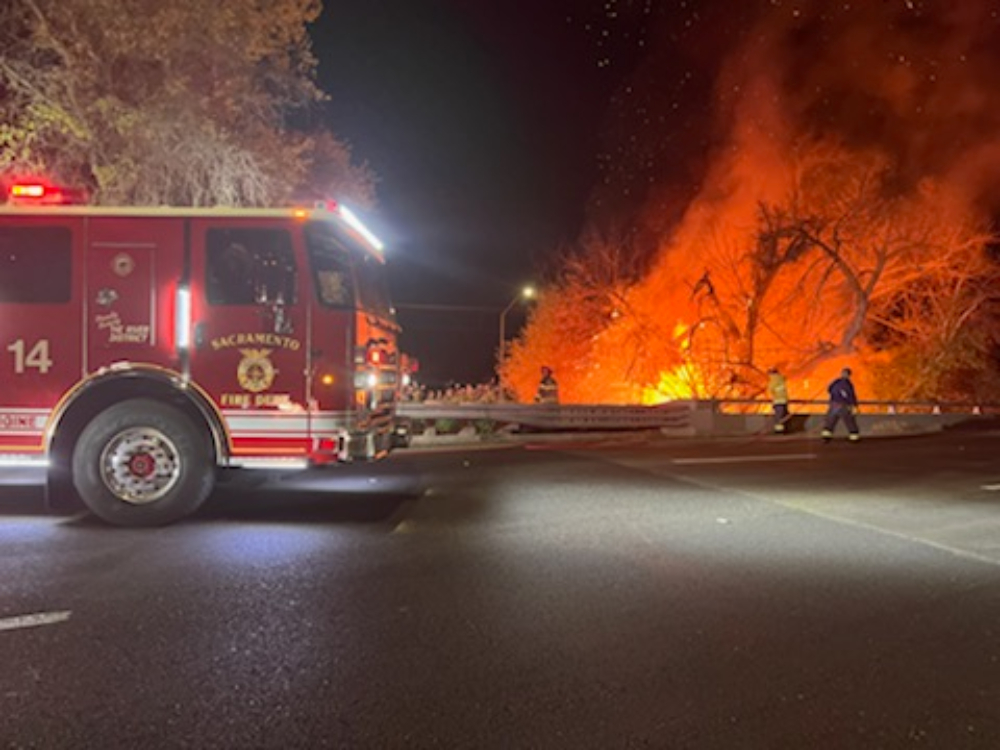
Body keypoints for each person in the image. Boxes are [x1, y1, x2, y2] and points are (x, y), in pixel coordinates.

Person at [822, 367, 860, 442]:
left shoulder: (836, 382)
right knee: (849, 421)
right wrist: (854, 405)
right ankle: (854, 436)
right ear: (849, 375)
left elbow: (829, 389)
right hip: (843, 405)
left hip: (833, 404)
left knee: (830, 420)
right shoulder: (848, 384)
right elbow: (851, 395)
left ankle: (826, 436)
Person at [767, 367, 789, 433]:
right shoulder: (781, 379)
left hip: (778, 400)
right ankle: (784, 430)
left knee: (779, 417)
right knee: (784, 415)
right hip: (784, 400)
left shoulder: (773, 380)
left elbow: (770, 390)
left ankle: (779, 431)